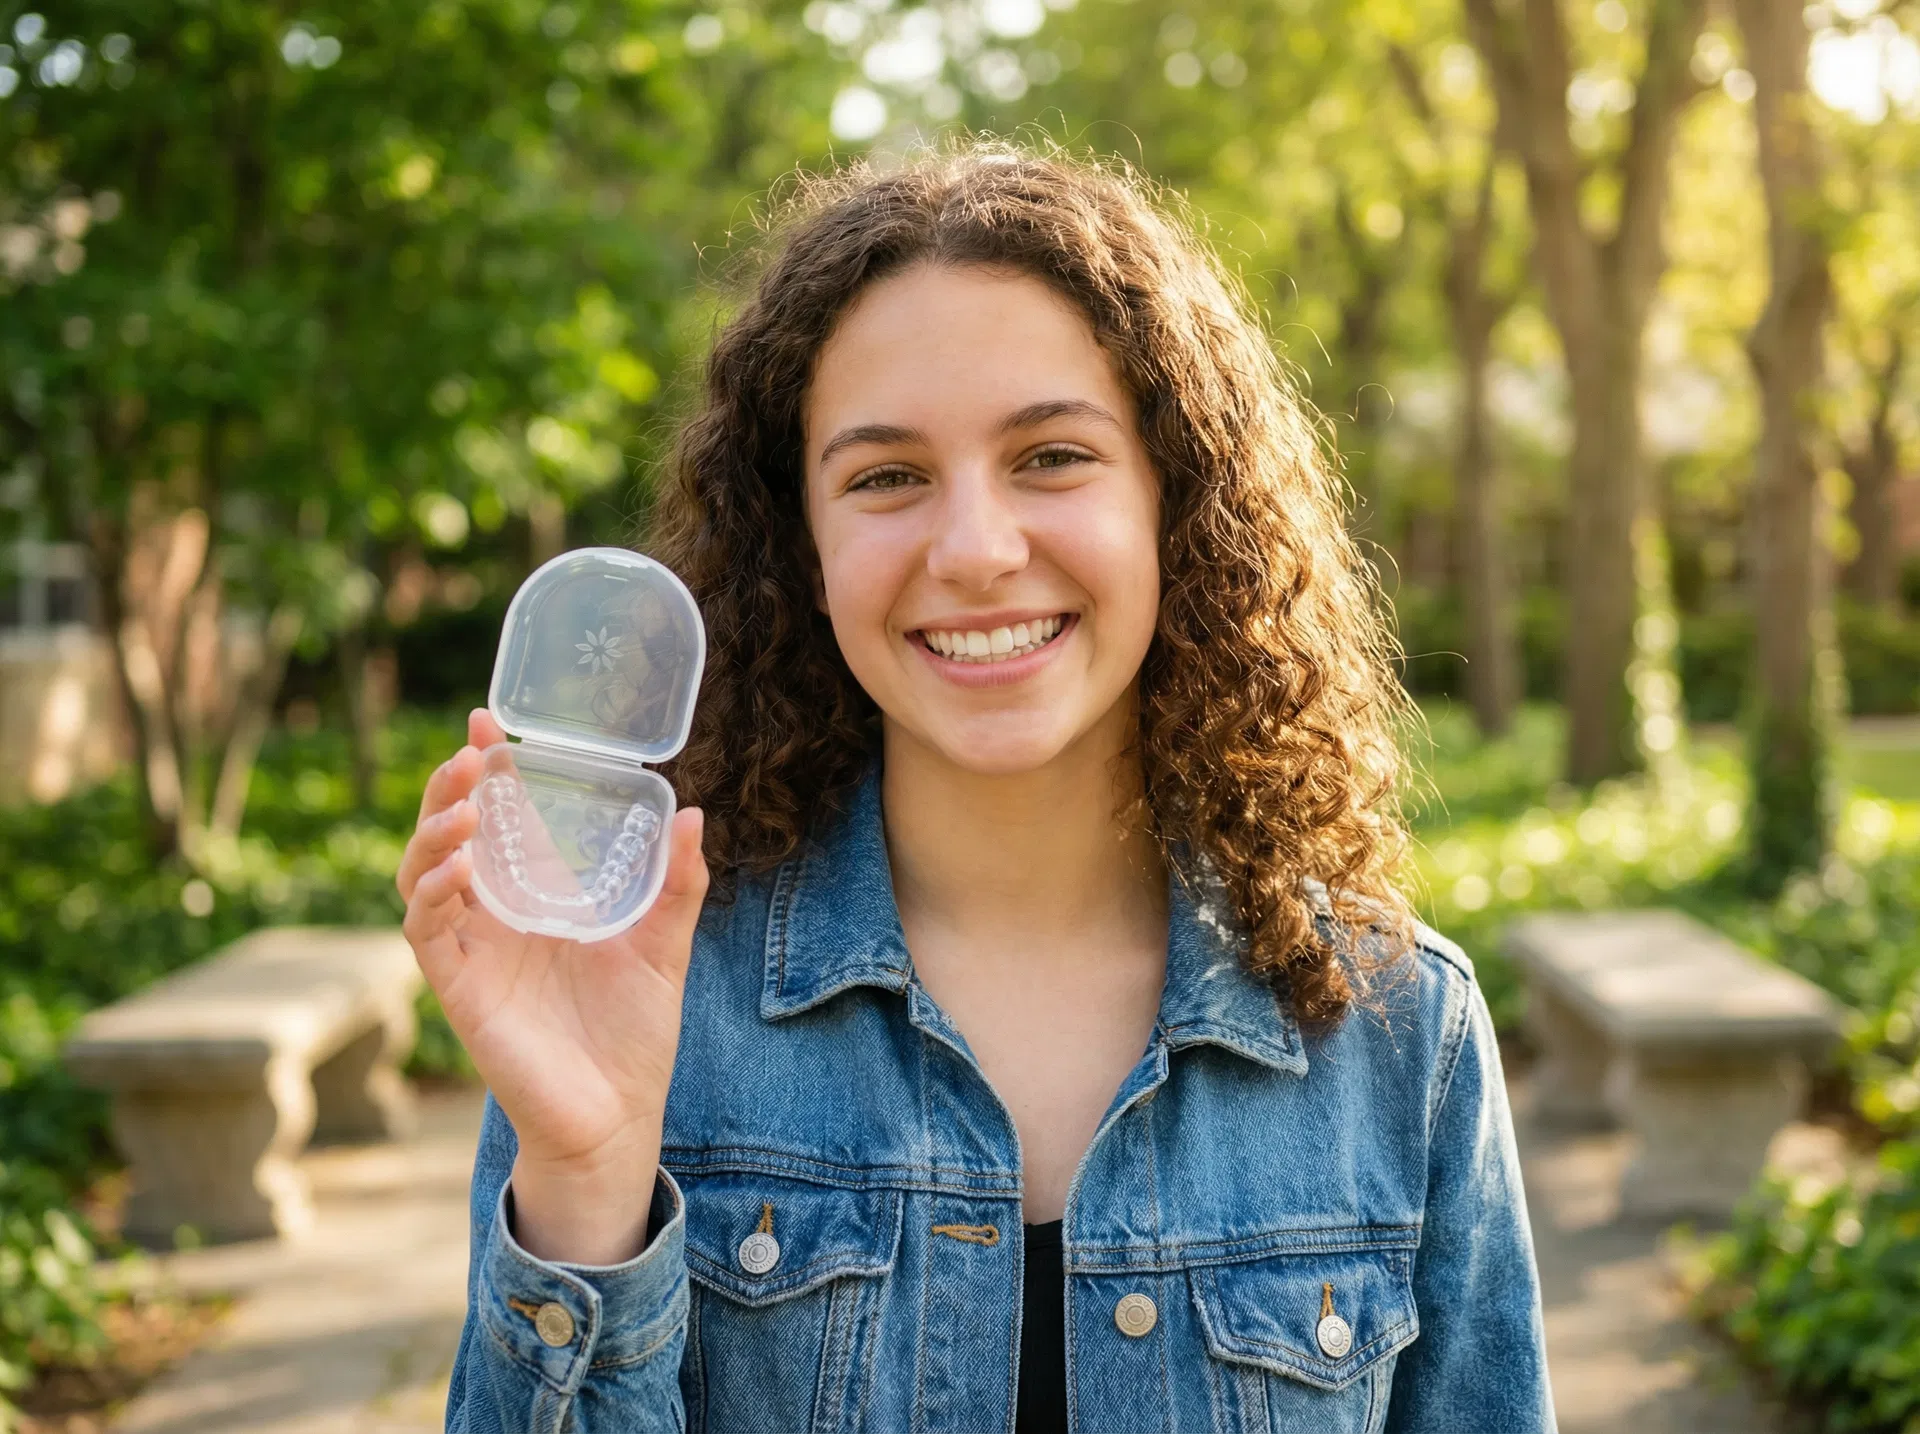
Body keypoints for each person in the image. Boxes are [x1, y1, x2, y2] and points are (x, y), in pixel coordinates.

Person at [397, 144, 1555, 1434]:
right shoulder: (644, 1010)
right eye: (886, 477)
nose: (975, 551)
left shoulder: (1401, 1033)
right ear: (805, 548)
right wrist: (583, 1177)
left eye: (1053, 456)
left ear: (1179, 501)